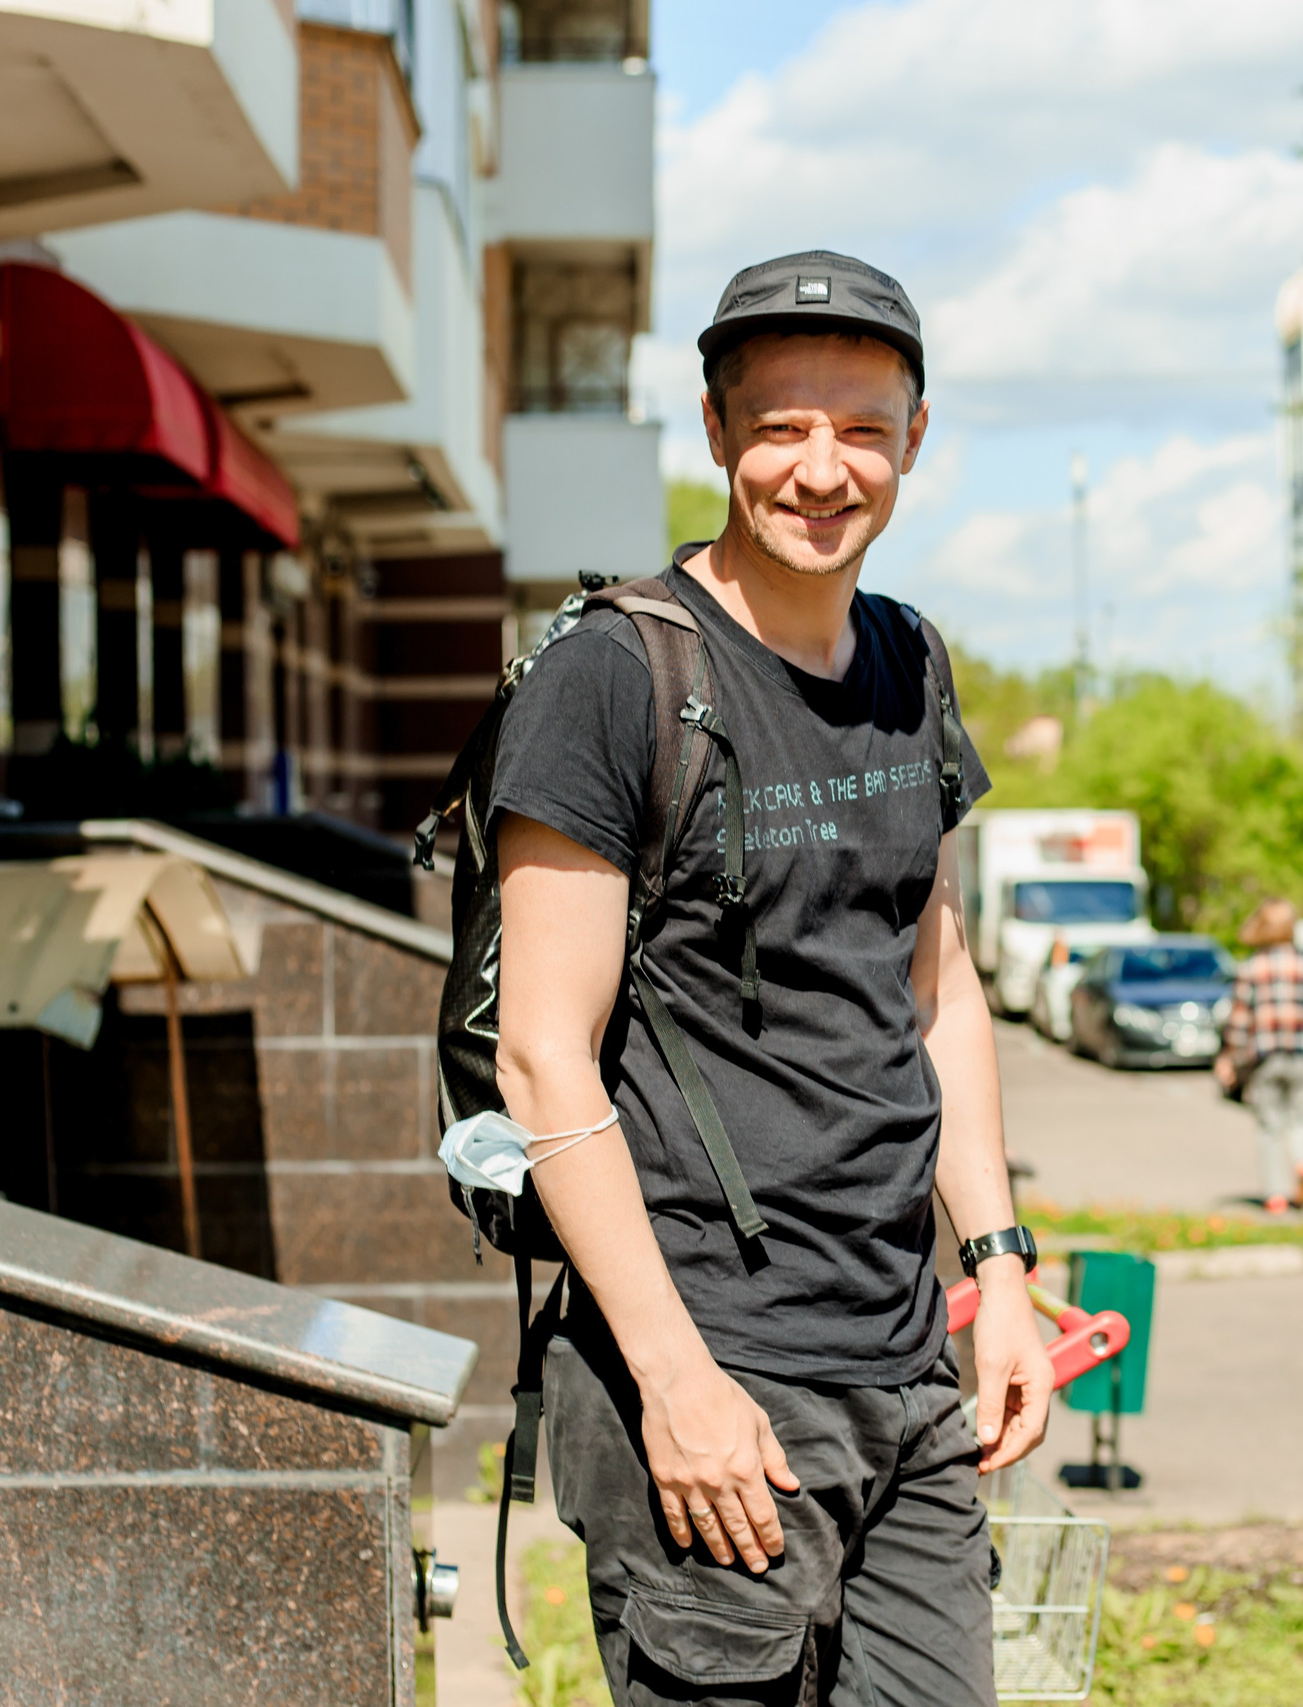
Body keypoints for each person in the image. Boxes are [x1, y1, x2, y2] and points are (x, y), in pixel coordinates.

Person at [490, 250, 1053, 1706]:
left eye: (862, 427)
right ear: (717, 431)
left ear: (913, 439)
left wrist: (997, 1274)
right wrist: (673, 1378)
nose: (823, 467)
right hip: (715, 1373)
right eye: (783, 426)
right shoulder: (615, 674)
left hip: (907, 1371)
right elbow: (544, 1057)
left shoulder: (909, 660)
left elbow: (942, 988)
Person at [1214, 897, 1303, 1213]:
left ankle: (1275, 1195)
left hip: (1265, 1056)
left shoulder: (1252, 968)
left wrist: (1229, 1057)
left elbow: (1239, 1020)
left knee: (1269, 1126)